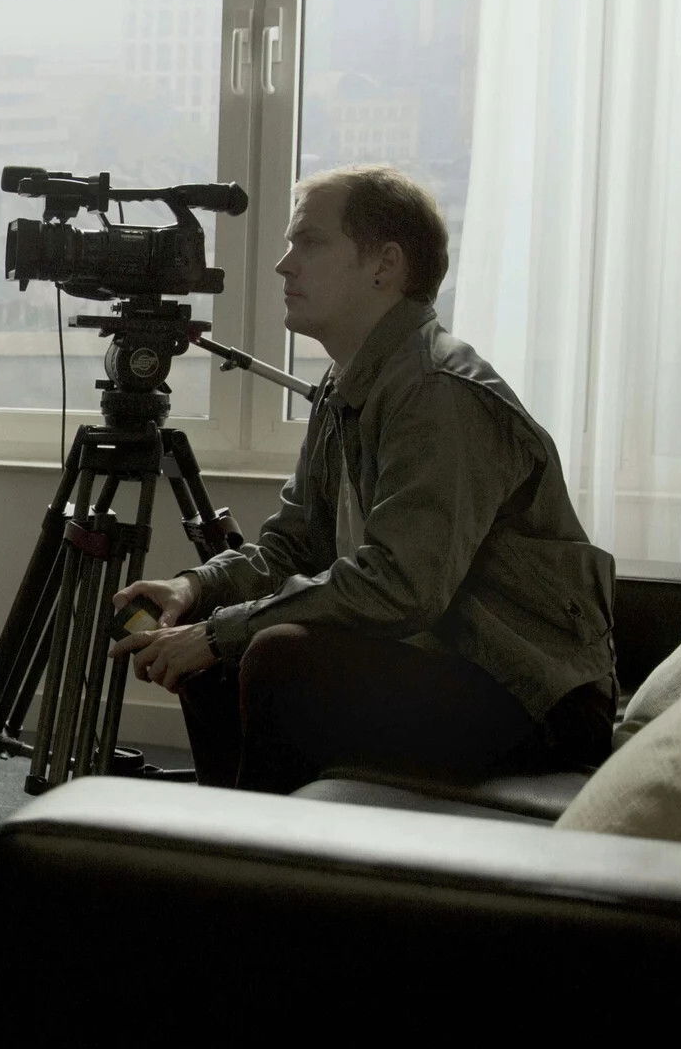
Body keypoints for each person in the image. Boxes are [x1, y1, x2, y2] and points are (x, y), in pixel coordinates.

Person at [107, 164, 615, 793]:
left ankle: (264, 840)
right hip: (437, 655)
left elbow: (401, 586)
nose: (283, 266)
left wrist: (220, 633)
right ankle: (237, 837)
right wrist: (195, 588)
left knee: (270, 652)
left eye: (310, 242)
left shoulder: (437, 391)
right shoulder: (349, 380)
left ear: (385, 265)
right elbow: (293, 546)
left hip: (532, 695)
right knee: (218, 644)